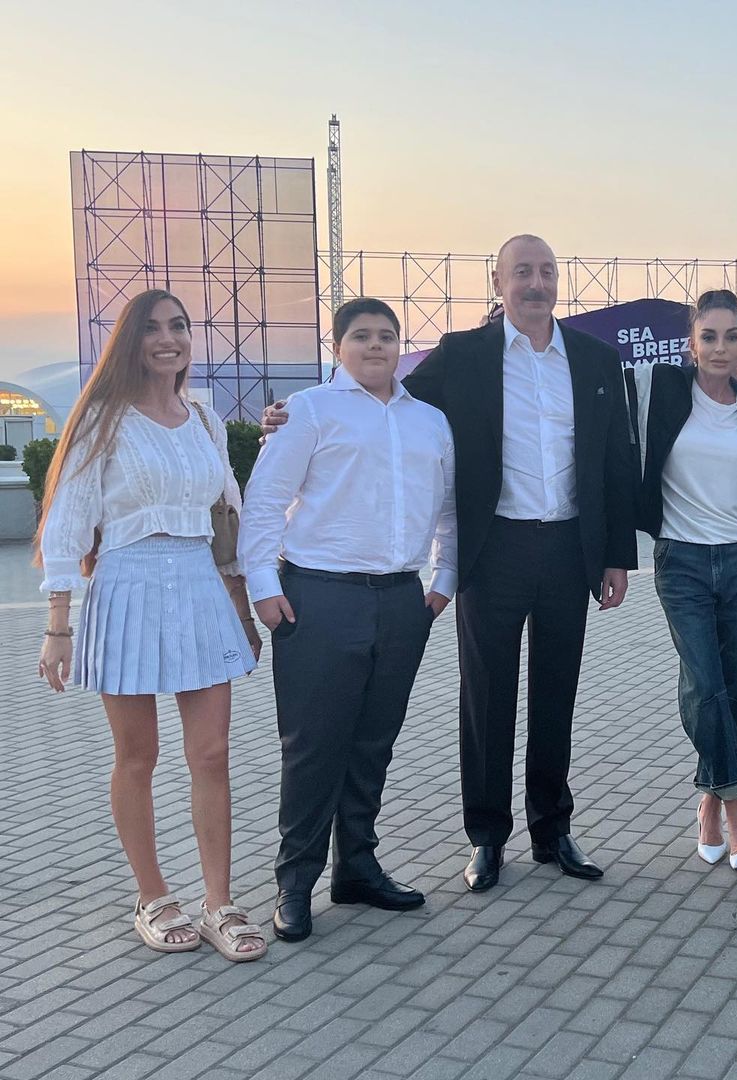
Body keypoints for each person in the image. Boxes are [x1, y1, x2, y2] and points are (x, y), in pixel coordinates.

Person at [264, 235, 638, 892]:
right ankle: (487, 836)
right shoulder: (464, 354)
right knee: (486, 697)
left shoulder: (596, 358)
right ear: (498, 283)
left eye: (547, 271)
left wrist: (617, 557)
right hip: (491, 551)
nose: (536, 283)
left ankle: (553, 829)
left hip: (568, 549)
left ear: (559, 281)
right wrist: (297, 413)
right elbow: (386, 397)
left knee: (558, 693)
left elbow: (616, 458)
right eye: (522, 272)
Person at [36, 289, 267, 962]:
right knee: (138, 757)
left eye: (179, 326)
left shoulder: (206, 419)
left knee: (213, 754)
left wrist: (242, 604)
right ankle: (153, 896)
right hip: (126, 588)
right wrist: (58, 626)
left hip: (198, 586)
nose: (168, 338)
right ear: (130, 342)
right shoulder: (102, 419)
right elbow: (68, 518)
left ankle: (219, 901)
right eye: (153, 328)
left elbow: (228, 513)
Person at [240, 298, 457, 942]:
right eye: (361, 336)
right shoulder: (308, 411)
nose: (376, 345)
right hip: (318, 598)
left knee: (372, 743)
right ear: (338, 347)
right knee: (313, 747)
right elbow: (265, 500)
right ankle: (295, 881)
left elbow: (449, 508)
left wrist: (443, 581)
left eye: (387, 335)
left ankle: (357, 867)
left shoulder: (430, 422)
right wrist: (262, 586)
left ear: (400, 345)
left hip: (401, 600)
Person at [627, 290, 737, 869]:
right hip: (682, 561)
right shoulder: (662, 391)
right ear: (691, 345)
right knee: (704, 684)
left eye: (731, 337)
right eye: (708, 336)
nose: (720, 347)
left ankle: (709, 801)